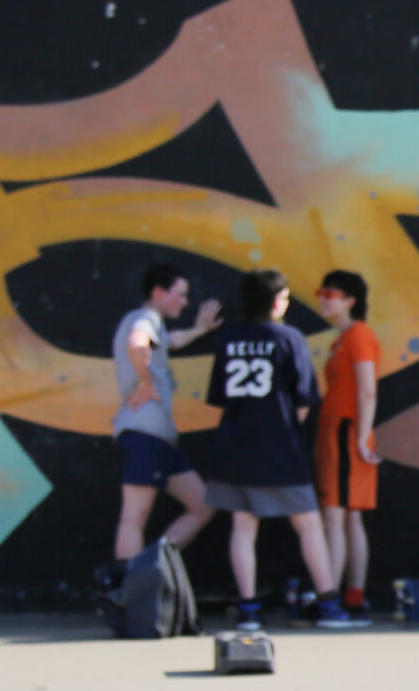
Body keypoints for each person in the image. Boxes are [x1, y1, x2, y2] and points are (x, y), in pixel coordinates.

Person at [203, 269, 351, 629]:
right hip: (280, 448)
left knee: (242, 526)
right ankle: (329, 605)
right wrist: (282, 427)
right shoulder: (289, 338)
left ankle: (249, 610)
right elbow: (304, 398)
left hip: (234, 446)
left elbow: (219, 397)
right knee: (309, 524)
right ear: (274, 301)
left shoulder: (229, 336)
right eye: (283, 297)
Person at [112, 263, 222, 563]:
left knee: (202, 505)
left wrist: (200, 329)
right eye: (181, 295)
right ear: (158, 292)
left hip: (161, 439)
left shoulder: (154, 324)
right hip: (143, 433)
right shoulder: (145, 318)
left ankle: (153, 569)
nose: (185, 302)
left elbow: (169, 341)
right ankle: (128, 593)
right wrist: (146, 384)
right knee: (134, 517)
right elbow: (138, 342)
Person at [312, 270, 382, 616]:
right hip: (341, 432)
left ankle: (333, 600)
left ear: (350, 300)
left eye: (331, 293)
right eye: (321, 292)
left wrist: (360, 438)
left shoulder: (358, 335)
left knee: (336, 518)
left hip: (346, 432)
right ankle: (350, 597)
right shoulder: (342, 339)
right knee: (348, 518)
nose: (323, 299)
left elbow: (368, 389)